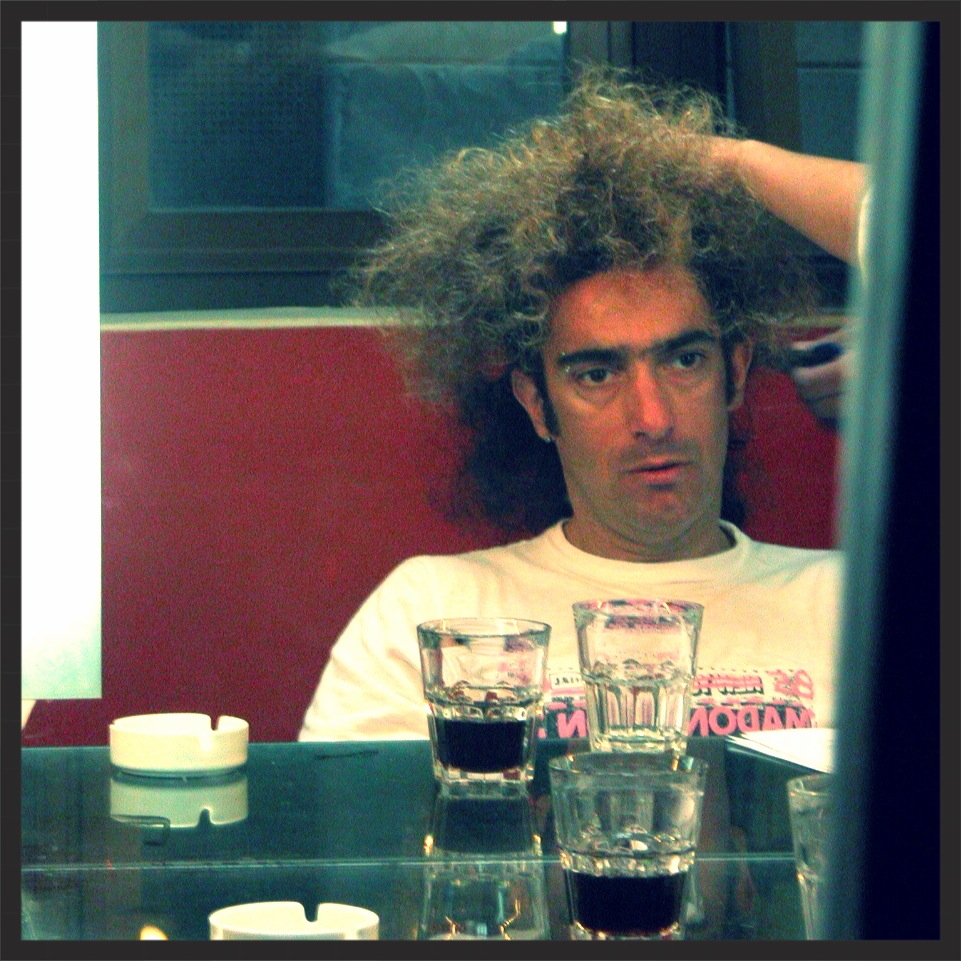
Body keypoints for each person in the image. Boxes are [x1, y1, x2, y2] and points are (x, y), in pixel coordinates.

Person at [299, 70, 867, 742]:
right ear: (537, 404)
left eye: (684, 361)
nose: (653, 418)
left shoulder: (854, 606)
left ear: (735, 372)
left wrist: (728, 160)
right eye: (597, 374)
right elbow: (353, 809)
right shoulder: (432, 614)